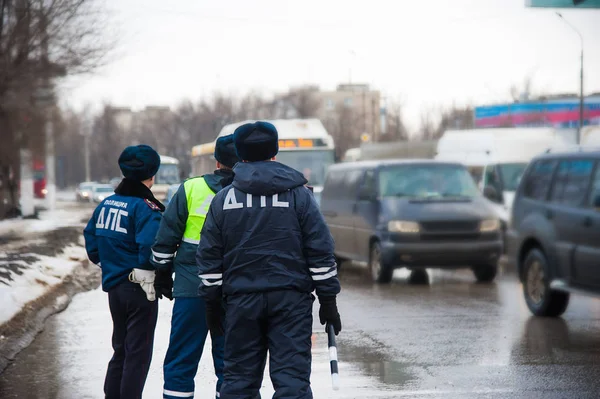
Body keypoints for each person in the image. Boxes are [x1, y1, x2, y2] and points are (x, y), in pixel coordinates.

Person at [196, 121, 342, 399]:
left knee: (238, 383)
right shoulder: (301, 196)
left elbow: (209, 256)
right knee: (292, 383)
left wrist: (212, 302)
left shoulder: (224, 200)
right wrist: (328, 301)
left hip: (240, 303)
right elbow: (321, 253)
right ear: (275, 152)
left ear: (240, 155)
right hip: (291, 303)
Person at [151, 135, 240, 399]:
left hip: (193, 287)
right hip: (237, 291)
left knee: (181, 358)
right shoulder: (249, 191)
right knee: (232, 364)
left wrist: (163, 275)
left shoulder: (190, 189)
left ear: (216, 160)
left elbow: (165, 240)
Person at [83, 144, 170, 399]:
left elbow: (91, 240)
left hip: (115, 289)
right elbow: (149, 250)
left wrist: (110, 264)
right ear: (152, 174)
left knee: (120, 350)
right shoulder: (146, 208)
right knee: (138, 356)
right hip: (140, 290)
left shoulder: (106, 204)